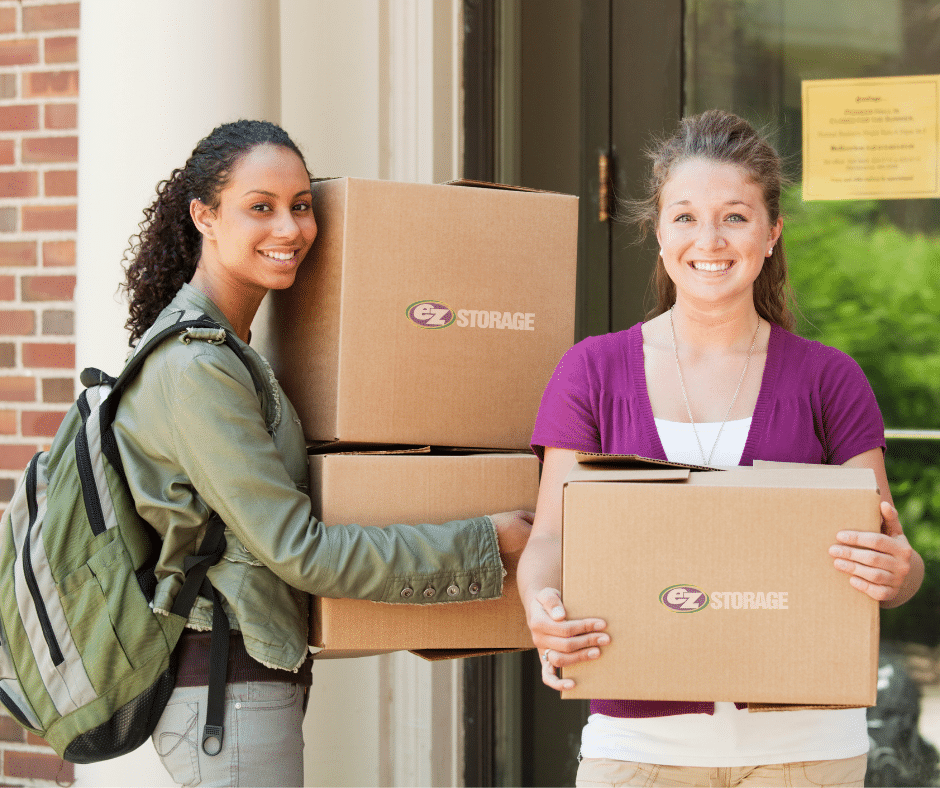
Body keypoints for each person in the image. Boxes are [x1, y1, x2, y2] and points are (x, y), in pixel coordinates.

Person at [115, 119, 533, 788]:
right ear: (205, 216)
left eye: (302, 206)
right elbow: (300, 552)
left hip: (241, 688)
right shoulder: (198, 370)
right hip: (228, 694)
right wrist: (485, 542)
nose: (291, 229)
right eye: (261, 207)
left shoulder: (232, 351)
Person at [518, 109, 924, 788]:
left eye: (735, 216)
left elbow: (893, 561)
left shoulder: (829, 380)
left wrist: (897, 572)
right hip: (640, 746)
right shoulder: (591, 372)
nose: (709, 239)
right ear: (658, 231)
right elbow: (552, 540)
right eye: (684, 216)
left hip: (807, 750)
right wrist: (543, 610)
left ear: (772, 233)